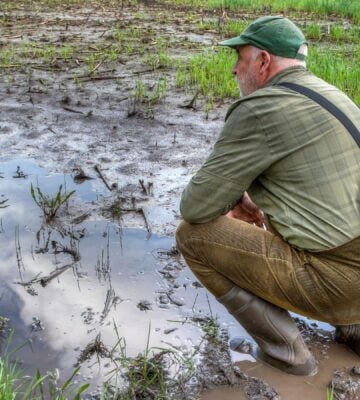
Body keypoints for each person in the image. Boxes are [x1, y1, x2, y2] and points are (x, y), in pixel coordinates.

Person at [176, 16, 360, 376]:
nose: (233, 69)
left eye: (240, 58)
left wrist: (231, 199)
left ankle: (287, 355)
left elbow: (195, 206)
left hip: (342, 280)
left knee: (191, 236)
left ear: (263, 62)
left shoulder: (261, 109)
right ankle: (353, 328)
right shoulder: (332, 95)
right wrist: (251, 198)